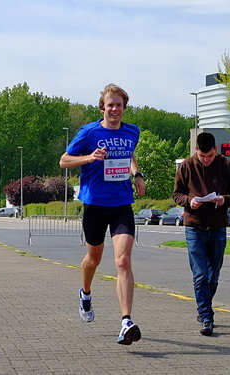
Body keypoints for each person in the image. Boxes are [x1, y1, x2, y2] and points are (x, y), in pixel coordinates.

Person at [59, 83, 145, 345]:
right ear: (103, 107)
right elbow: (64, 160)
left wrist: (137, 174)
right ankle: (85, 293)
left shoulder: (133, 132)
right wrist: (89, 158)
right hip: (95, 205)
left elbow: (129, 155)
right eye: (110, 105)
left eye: (119, 105)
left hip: (121, 204)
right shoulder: (89, 132)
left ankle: (126, 321)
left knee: (123, 261)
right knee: (93, 259)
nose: (115, 109)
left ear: (124, 108)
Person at [173, 132, 230, 336]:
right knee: (200, 274)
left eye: (209, 156)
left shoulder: (227, 166)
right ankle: (206, 316)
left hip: (218, 226)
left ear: (216, 150)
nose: (205, 160)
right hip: (194, 227)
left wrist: (224, 200)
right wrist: (189, 201)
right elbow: (177, 194)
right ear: (196, 151)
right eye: (202, 156)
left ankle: (203, 305)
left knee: (213, 276)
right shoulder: (186, 166)